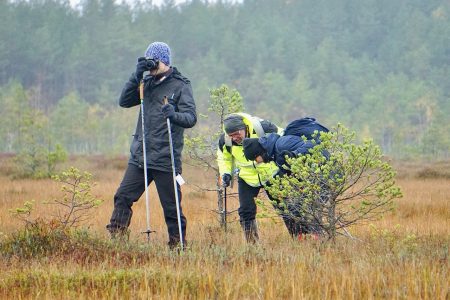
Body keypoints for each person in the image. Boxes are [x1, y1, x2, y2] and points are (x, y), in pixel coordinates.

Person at [106, 41, 197, 248]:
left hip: (167, 158)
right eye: (149, 62)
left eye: (155, 61)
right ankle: (116, 243)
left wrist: (173, 114)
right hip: (141, 156)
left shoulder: (181, 85)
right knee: (122, 197)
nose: (152, 66)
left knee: (172, 208)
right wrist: (136, 74)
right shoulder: (144, 84)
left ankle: (178, 247)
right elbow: (124, 101)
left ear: (165, 62)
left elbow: (191, 118)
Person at [242, 117, 329, 237]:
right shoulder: (276, 156)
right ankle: (311, 240)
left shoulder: (281, 144)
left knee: (310, 208)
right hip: (316, 177)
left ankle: (319, 239)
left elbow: (312, 144)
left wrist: (296, 154)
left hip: (327, 172)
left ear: (258, 152)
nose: (257, 162)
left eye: (255, 159)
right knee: (299, 207)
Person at [217, 113, 292, 243]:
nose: (235, 138)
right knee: (246, 211)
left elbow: (284, 137)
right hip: (247, 177)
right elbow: (225, 158)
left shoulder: (263, 128)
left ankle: (301, 237)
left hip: (271, 173)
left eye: (237, 133)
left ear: (244, 127)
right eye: (231, 135)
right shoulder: (225, 141)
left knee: (285, 207)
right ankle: (253, 245)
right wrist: (226, 174)